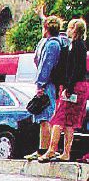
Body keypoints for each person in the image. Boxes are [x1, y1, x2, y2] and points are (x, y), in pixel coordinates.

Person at [42, 18, 88, 162]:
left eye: (69, 27)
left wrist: (68, 87)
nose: (67, 30)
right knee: (70, 122)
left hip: (74, 87)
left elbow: (76, 69)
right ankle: (66, 152)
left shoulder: (76, 45)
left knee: (59, 118)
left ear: (75, 29)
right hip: (79, 87)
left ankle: (51, 150)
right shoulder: (79, 45)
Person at [26, 14, 66, 160]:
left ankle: (46, 149)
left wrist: (40, 84)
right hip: (51, 83)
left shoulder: (52, 45)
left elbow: (45, 66)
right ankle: (42, 149)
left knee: (45, 118)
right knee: (43, 118)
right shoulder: (56, 43)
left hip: (48, 84)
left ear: (46, 28)